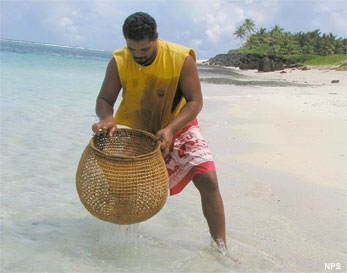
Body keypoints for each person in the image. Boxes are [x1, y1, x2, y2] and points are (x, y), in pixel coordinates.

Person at [92, 12, 229, 254]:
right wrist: (107, 118)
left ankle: (221, 248)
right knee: (123, 191)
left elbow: (195, 101)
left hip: (179, 125)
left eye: (144, 49)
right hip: (140, 133)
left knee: (208, 179)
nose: (138, 56)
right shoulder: (118, 61)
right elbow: (104, 99)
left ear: (156, 37)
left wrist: (171, 128)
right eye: (132, 49)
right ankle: (117, 249)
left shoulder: (180, 58)